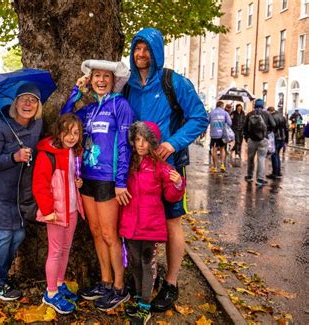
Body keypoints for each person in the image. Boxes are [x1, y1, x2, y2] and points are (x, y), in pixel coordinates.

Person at [124, 27, 208, 311]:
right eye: (137, 48)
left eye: (147, 49)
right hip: (136, 171)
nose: (141, 54)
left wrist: (172, 143)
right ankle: (143, 275)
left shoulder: (174, 82)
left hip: (169, 168)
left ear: (157, 51)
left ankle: (171, 284)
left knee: (173, 223)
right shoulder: (127, 86)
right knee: (137, 221)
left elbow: (199, 117)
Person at [61, 59, 134, 311]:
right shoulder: (89, 109)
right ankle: (104, 282)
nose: (101, 80)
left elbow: (125, 145)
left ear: (114, 81)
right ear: (90, 81)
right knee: (95, 231)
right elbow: (65, 120)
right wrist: (76, 92)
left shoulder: (121, 105)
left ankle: (119, 287)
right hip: (88, 179)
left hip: (109, 180)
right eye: (96, 76)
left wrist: (121, 181)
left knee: (109, 234)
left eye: (106, 76)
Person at [0, 83, 43, 301]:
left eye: (33, 100)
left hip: (21, 193)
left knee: (19, 234)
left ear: (39, 106)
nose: (28, 104)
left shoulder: (37, 126)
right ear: (15, 103)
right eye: (24, 99)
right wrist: (13, 157)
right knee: (5, 235)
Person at [120, 121, 185, 321]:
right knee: (135, 264)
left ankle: (145, 306)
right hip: (130, 226)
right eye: (137, 139)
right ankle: (140, 298)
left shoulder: (160, 167)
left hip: (150, 227)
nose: (141, 145)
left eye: (145, 140)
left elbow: (171, 196)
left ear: (153, 143)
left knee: (147, 265)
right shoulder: (128, 164)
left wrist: (178, 184)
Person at [32, 113, 85, 314]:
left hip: (71, 210)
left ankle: (60, 283)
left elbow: (68, 179)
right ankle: (51, 293)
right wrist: (48, 211)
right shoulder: (49, 154)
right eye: (67, 132)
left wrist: (77, 182)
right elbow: (40, 185)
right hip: (55, 212)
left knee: (65, 249)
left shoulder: (73, 152)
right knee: (55, 252)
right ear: (59, 132)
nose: (71, 137)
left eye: (76, 133)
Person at [243, 98, 276, 186]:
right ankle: (260, 179)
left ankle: (249, 176)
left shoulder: (250, 114)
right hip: (263, 139)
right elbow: (273, 125)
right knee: (261, 159)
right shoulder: (267, 114)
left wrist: (246, 137)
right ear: (262, 105)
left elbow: (245, 127)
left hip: (251, 139)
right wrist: (267, 132)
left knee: (250, 158)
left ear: (255, 106)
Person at [209, 101, 232, 173]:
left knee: (214, 150)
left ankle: (215, 167)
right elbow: (230, 123)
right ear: (222, 105)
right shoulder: (225, 113)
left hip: (214, 135)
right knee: (222, 149)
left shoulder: (211, 112)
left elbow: (208, 121)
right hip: (223, 134)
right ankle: (222, 165)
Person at [266, 106, 287, 179]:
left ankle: (275, 173)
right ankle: (278, 171)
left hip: (275, 137)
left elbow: (270, 127)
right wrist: (286, 139)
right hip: (282, 137)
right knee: (277, 155)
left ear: (269, 111)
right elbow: (286, 128)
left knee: (274, 155)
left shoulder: (271, 117)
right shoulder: (282, 116)